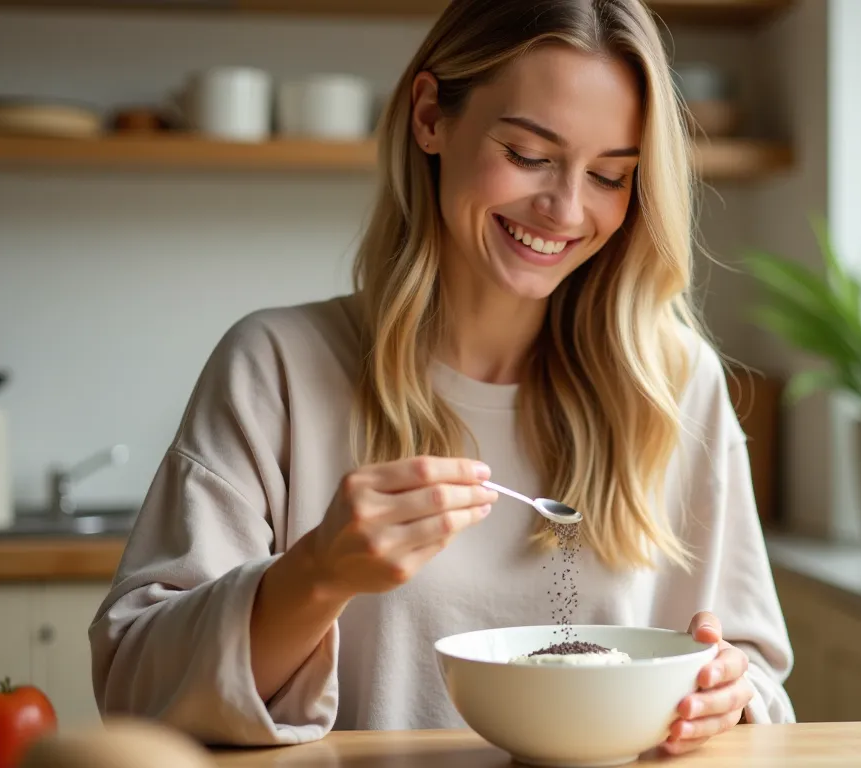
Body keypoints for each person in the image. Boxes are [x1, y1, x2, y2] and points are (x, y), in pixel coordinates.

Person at [88, 0, 795, 755]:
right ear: (430, 115)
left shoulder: (675, 384)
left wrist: (728, 692)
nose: (565, 209)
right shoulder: (279, 368)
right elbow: (136, 684)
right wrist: (317, 575)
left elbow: (758, 687)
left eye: (611, 176)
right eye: (529, 155)